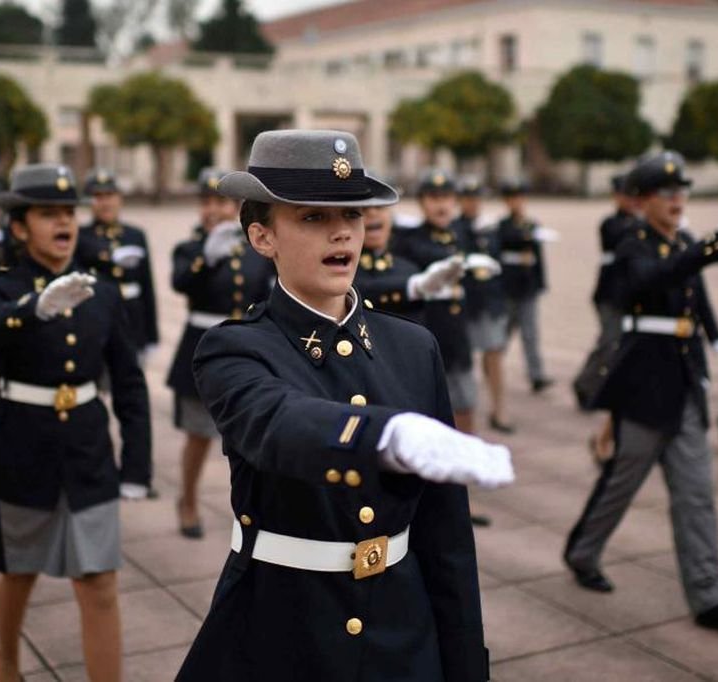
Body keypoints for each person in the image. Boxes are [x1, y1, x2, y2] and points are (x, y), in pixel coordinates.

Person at [176, 130, 513, 681]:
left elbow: (446, 537)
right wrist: (383, 436)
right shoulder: (235, 348)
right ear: (262, 236)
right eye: (313, 217)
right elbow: (276, 422)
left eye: (353, 214)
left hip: (402, 627)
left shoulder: (412, 346)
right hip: (284, 627)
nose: (342, 231)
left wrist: (465, 665)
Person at [562, 151, 718, 633]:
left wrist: (713, 334)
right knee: (622, 481)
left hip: (683, 378)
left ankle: (709, 595)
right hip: (644, 383)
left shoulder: (685, 242)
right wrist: (714, 248)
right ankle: (583, 552)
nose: (678, 200)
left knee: (697, 493)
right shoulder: (631, 243)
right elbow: (651, 279)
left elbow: (693, 295)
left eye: (682, 192)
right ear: (643, 200)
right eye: (667, 193)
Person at [0, 163, 151, 682]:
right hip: (21, 448)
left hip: (88, 453)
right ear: (19, 227)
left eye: (69, 212)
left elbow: (129, 384)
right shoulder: (2, 286)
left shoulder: (101, 292)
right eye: (48, 214)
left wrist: (136, 466)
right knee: (18, 572)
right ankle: (7, 660)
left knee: (99, 583)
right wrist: (32, 309)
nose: (64, 222)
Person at [167, 167, 276, 538]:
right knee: (199, 435)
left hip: (246, 348)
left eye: (222, 203)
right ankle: (188, 500)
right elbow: (181, 282)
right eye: (207, 202)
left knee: (250, 438)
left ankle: (252, 508)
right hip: (201, 347)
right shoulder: (191, 249)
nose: (213, 210)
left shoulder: (255, 248)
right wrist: (206, 257)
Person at [391, 169, 499, 435]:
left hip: (458, 338)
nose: (441, 205)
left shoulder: (463, 233)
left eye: (446, 197)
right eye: (433, 198)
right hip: (428, 336)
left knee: (465, 406)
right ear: (421, 202)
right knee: (428, 414)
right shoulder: (409, 240)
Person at [575, 173, 638, 463]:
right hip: (609, 295)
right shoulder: (611, 223)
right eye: (625, 195)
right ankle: (587, 383)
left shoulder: (637, 224)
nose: (630, 200)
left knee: (614, 343)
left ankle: (590, 384)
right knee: (609, 342)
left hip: (627, 296)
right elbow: (619, 239)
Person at [76, 168, 159, 359]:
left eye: (110, 195)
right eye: (98, 196)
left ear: (119, 198)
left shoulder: (135, 235)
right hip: (97, 321)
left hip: (132, 321)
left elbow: (146, 285)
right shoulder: (81, 236)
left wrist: (152, 335)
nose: (105, 202)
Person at [456, 176, 512, 432]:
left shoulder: (489, 227)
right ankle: (467, 413)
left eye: (476, 198)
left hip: (490, 300)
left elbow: (499, 261)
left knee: (494, 355)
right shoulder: (456, 228)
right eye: (468, 198)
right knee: (464, 362)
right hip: (467, 301)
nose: (473, 203)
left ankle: (499, 410)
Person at [354, 202, 460, 319]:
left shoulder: (409, 268)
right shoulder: (347, 267)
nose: (373, 213)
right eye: (364, 209)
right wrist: (413, 287)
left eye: (380, 207)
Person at [497, 179, 553, 394]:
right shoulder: (503, 226)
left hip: (527, 288)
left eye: (519, 198)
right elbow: (505, 244)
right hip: (508, 288)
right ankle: (492, 368)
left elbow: (538, 258)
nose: (517, 202)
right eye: (512, 198)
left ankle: (536, 375)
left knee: (531, 334)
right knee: (502, 334)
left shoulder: (532, 225)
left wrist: (541, 283)